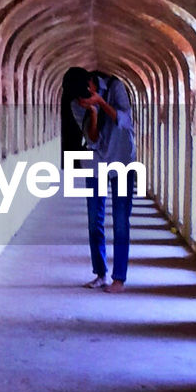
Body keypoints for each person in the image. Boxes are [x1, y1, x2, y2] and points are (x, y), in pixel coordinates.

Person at [63, 66, 136, 293]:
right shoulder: (77, 104)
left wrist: (102, 103)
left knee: (121, 220)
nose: (81, 98)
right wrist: (93, 112)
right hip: (95, 162)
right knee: (95, 219)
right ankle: (101, 273)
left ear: (90, 82)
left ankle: (119, 279)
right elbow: (92, 139)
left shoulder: (116, 87)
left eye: (85, 92)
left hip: (122, 159)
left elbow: (125, 120)